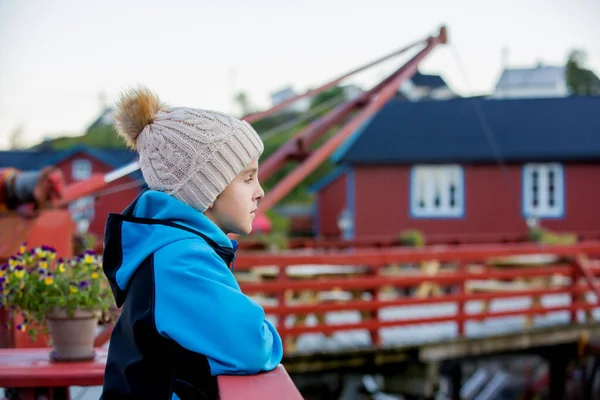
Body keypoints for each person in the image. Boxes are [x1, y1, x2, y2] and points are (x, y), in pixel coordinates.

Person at [100, 87, 283, 400]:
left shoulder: (171, 250)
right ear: (206, 190)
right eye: (248, 178)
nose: (260, 191)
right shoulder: (181, 260)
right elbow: (254, 346)